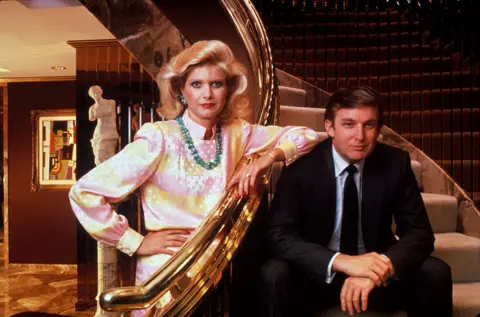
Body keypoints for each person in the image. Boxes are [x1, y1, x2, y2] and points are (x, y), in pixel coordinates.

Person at [69, 40, 320, 316]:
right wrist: (135, 241)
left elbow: (307, 135)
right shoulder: (159, 137)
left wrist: (267, 158)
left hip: (219, 267)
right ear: (181, 91)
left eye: (217, 84)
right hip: (168, 269)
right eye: (197, 84)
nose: (207, 94)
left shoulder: (237, 133)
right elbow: (84, 193)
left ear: (228, 90)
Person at [261, 86, 452, 317]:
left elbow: (420, 233)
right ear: (330, 127)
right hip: (318, 276)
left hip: (375, 277)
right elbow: (278, 235)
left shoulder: (395, 163)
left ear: (378, 129)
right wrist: (340, 261)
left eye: (369, 125)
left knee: (435, 271)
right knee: (273, 273)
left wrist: (380, 268)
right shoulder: (301, 168)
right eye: (349, 124)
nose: (359, 136)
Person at [88, 85, 119, 166]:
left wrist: (99, 110)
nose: (96, 95)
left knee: (111, 154)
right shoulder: (92, 108)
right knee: (99, 156)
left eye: (97, 93)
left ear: (101, 92)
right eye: (93, 94)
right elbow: (91, 118)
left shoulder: (111, 102)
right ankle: (103, 173)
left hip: (110, 130)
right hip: (100, 131)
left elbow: (109, 113)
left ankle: (110, 173)